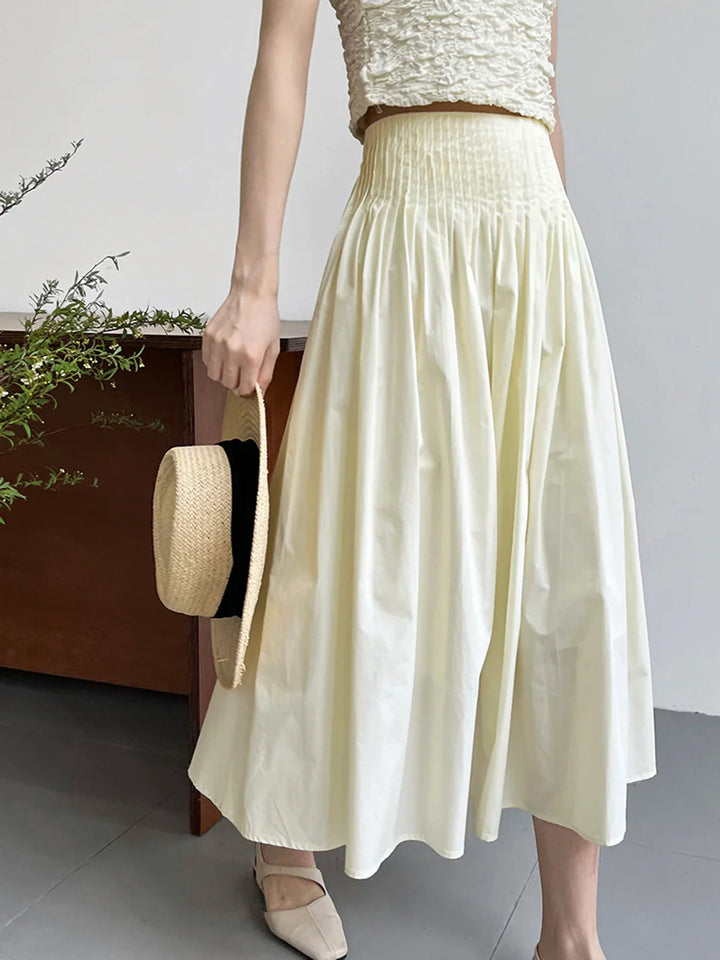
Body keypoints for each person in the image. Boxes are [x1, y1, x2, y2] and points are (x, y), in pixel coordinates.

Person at [192, 2, 657, 959]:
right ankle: (284, 847)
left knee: (566, 576)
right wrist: (253, 279)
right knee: (354, 554)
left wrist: (558, 269)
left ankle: (573, 932)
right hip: (405, 229)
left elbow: (538, 86)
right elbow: (283, 54)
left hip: (536, 245)